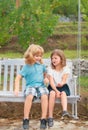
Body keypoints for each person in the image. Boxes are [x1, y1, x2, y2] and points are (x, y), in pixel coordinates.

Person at [14, 44, 49, 129]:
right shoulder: (27, 67)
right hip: (31, 86)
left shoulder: (41, 66)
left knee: (44, 96)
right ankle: (26, 118)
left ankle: (43, 119)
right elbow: (18, 77)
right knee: (29, 96)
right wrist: (16, 88)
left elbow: (45, 74)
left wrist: (46, 79)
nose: (38, 58)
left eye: (40, 56)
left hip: (41, 86)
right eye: (36, 56)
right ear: (30, 55)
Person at [47, 49, 71, 127]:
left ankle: (64, 111)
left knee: (63, 93)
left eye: (55, 58)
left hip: (63, 86)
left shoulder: (65, 68)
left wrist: (62, 83)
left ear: (61, 59)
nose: (53, 60)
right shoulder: (50, 69)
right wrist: (56, 90)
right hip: (53, 87)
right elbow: (51, 82)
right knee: (52, 93)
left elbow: (64, 79)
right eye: (52, 58)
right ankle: (50, 116)